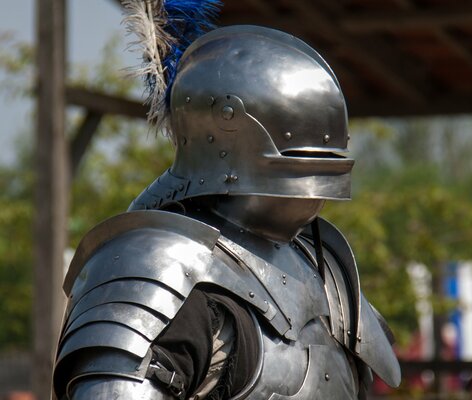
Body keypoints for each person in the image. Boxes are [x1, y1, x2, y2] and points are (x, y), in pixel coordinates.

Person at [51, 4, 401, 399]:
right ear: (227, 126)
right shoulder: (156, 270)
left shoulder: (326, 268)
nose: (322, 173)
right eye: (306, 155)